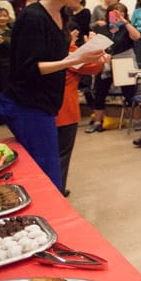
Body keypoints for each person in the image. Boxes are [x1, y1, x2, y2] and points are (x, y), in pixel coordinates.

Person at [0, 0, 107, 192]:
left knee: (50, 171)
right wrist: (74, 61)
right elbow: (28, 68)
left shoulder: (63, 14)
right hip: (27, 104)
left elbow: (61, 57)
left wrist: (88, 56)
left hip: (45, 104)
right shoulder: (33, 17)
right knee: (46, 177)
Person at [55, 27, 103, 196]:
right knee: (62, 153)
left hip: (41, 108)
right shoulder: (67, 52)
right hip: (64, 110)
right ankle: (57, 190)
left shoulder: (44, 48)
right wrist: (93, 47)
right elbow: (92, 67)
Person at [86, 2, 141, 134]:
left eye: (121, 12)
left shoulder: (127, 28)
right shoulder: (102, 29)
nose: (117, 14)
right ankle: (98, 122)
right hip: (105, 63)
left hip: (124, 62)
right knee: (100, 92)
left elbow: (137, 37)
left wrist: (125, 22)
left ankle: (138, 121)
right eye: (114, 12)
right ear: (108, 14)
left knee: (130, 93)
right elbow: (94, 46)